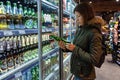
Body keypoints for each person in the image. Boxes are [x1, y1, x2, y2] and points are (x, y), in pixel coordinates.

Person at [58, 3, 105, 80]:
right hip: (77, 72)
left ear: (87, 15)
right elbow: (78, 47)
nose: (76, 19)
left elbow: (94, 59)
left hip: (85, 75)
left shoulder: (94, 33)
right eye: (76, 16)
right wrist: (65, 47)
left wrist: (75, 49)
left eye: (79, 16)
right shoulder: (81, 29)